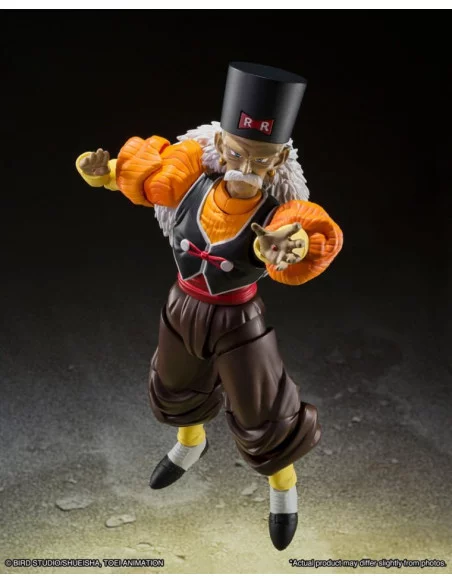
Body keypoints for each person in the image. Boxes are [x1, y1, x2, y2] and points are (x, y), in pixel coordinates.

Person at [75, 62, 343, 550]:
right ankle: (189, 444)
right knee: (175, 387)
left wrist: (294, 243)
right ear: (220, 144)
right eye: (237, 153)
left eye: (261, 160)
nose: (246, 167)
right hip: (183, 305)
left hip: (239, 320)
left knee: (264, 411)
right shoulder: (188, 184)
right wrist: (100, 174)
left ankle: (284, 490)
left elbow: (309, 232)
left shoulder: (276, 214)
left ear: (280, 159)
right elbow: (136, 178)